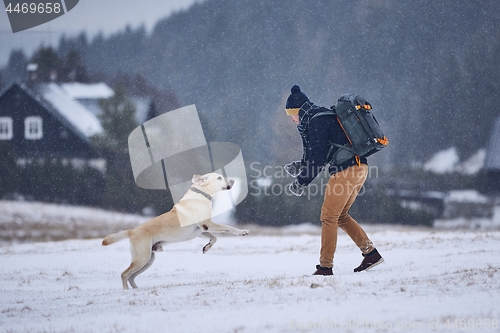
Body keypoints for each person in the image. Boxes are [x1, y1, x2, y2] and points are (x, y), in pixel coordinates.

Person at [284, 85, 384, 276]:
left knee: (328, 217)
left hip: (345, 170)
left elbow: (319, 158)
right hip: (360, 167)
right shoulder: (322, 116)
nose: (291, 119)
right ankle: (371, 254)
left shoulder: (314, 122)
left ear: (298, 110)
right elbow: (318, 152)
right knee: (340, 216)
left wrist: (301, 181)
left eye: (291, 114)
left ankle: (325, 267)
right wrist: (300, 166)